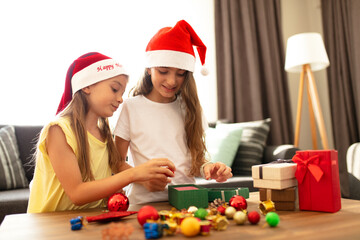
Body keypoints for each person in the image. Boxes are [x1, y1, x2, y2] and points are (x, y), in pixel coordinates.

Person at [27, 52, 175, 213]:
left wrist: (141, 180)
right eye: (114, 89)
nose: (120, 99)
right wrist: (134, 174)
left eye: (122, 93)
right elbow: (77, 193)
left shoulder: (104, 134)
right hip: (51, 225)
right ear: (87, 86)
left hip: (87, 222)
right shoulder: (58, 130)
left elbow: (112, 171)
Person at [114, 20, 233, 204]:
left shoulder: (191, 109)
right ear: (149, 69)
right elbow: (116, 163)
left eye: (180, 73)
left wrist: (209, 167)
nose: (171, 81)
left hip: (188, 202)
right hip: (143, 204)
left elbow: (197, 160)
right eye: (163, 71)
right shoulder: (131, 107)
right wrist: (143, 179)